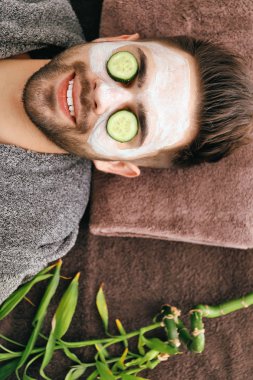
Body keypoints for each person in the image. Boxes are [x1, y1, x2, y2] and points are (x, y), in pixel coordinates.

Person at [0, 0, 252, 304]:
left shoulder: (33, 227)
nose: (103, 94)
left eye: (130, 124)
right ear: (114, 41)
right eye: (127, 66)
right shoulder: (29, 7)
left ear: (116, 164)